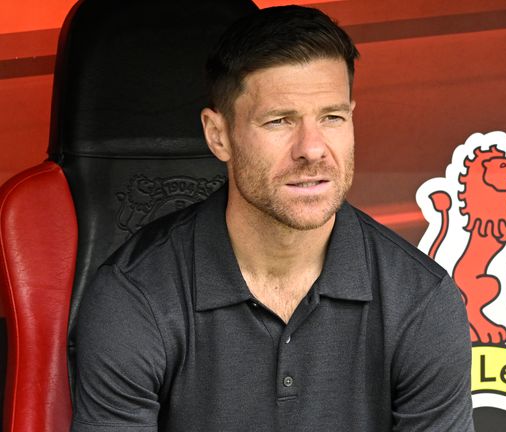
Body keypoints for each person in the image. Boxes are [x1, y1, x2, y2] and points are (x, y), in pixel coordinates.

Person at [71, 5, 474, 432]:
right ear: (218, 135)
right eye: (280, 121)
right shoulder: (135, 296)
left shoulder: (421, 301)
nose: (313, 149)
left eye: (332, 118)